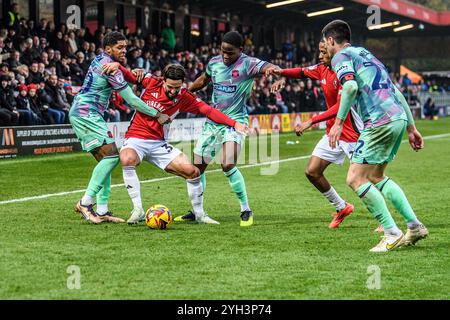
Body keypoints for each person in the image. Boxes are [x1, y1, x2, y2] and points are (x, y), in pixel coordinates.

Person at [323, 20, 428, 252]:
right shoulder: (366, 54)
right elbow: (395, 91)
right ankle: (414, 225)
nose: (325, 47)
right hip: (397, 118)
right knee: (377, 176)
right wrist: (411, 127)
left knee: (355, 178)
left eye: (325, 42)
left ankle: (391, 233)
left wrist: (338, 123)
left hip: (378, 121)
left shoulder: (340, 57)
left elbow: (349, 88)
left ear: (331, 40)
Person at [102, 63, 248, 224]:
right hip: (136, 139)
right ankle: (138, 209)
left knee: (193, 172)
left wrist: (234, 124)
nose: (173, 91)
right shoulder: (151, 82)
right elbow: (130, 76)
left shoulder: (185, 97)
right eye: (170, 87)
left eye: (177, 88)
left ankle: (199, 215)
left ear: (183, 84)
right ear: (163, 80)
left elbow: (209, 111)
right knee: (127, 158)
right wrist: (119, 66)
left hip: (159, 144)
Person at [175, 31, 279, 227]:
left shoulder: (248, 64)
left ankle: (245, 209)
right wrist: (185, 92)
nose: (225, 55)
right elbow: (203, 80)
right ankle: (197, 211)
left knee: (227, 163)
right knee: (197, 169)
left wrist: (275, 72)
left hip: (236, 121)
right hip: (213, 122)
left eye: (230, 52)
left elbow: (269, 67)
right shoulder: (214, 62)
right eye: (223, 51)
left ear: (241, 50)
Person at [69, 31, 169, 224]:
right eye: (120, 48)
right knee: (113, 156)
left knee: (104, 160)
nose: (124, 50)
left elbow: (128, 77)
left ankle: (102, 209)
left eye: (125, 47)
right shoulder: (110, 68)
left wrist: (135, 72)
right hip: (86, 112)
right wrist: (157, 114)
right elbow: (131, 100)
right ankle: (85, 202)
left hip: (86, 112)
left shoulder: (102, 60)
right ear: (108, 49)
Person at [267, 40, 362, 228]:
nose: (319, 56)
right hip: (332, 132)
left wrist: (311, 121)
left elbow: (340, 106)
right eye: (319, 52)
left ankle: (384, 219)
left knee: (362, 179)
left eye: (323, 52)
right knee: (312, 172)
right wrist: (280, 72)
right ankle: (341, 207)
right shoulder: (322, 69)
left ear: (334, 51)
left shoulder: (344, 73)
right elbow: (301, 72)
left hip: (352, 132)